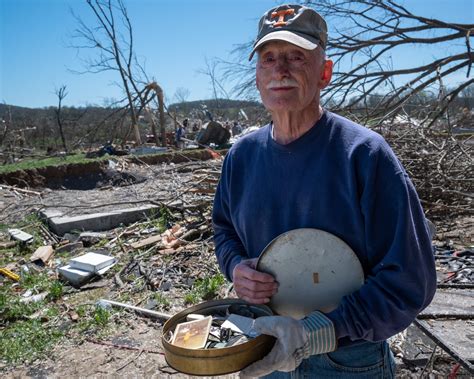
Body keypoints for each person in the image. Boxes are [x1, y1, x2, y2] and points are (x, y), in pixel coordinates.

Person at [212, 4, 436, 378]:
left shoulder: (364, 155)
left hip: (347, 359)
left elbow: (410, 280)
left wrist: (312, 334)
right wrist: (236, 267)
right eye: (269, 58)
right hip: (265, 349)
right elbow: (224, 231)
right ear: (256, 76)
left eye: (296, 56)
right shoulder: (241, 158)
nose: (280, 70)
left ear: (325, 73)